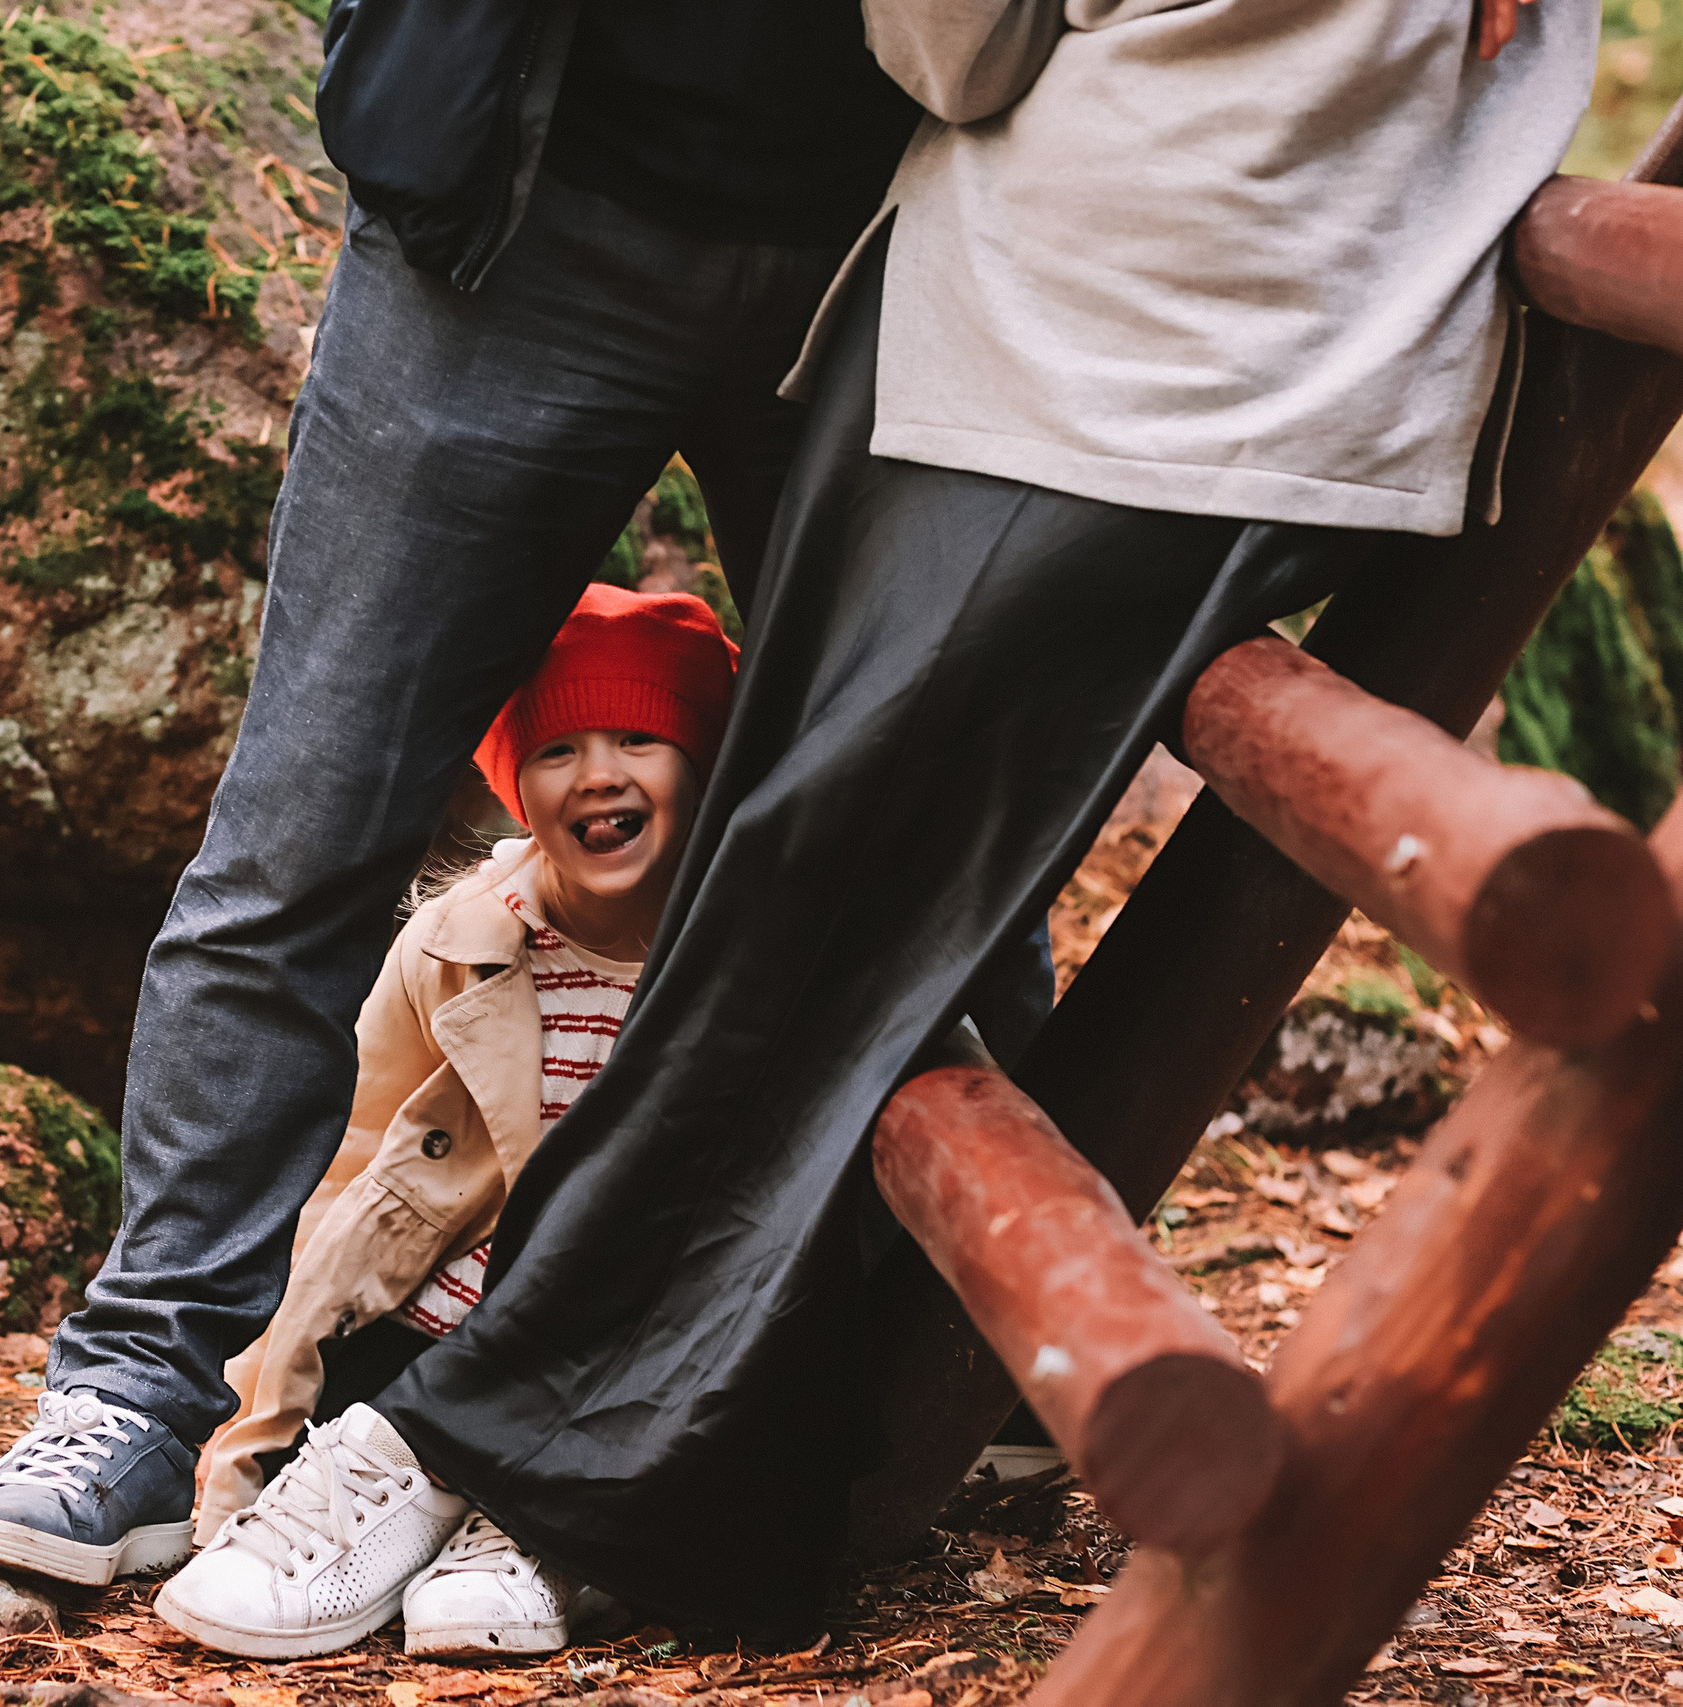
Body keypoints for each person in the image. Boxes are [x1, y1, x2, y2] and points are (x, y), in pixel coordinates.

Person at [147, 0, 1597, 1644]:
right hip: (1237, 342)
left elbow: (950, 53)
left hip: (1071, 332)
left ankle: (515, 1442)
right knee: (807, 877)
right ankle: (536, 1433)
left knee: (816, 889)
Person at [0, 0, 1059, 1591]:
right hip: (514, 220)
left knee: (949, 816)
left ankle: (993, 1351)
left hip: (888, 222)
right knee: (302, 834)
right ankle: (131, 1393)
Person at [148, 585, 734, 1659]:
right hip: (436, 1330)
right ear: (517, 789)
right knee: (394, 1384)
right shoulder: (455, 944)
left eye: (639, 738)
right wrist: (253, 1435)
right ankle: (388, 1499)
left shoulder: (746, 954)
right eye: (556, 749)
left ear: (703, 765)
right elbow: (348, 1172)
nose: (598, 772)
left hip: (628, 1346)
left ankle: (537, 1528)